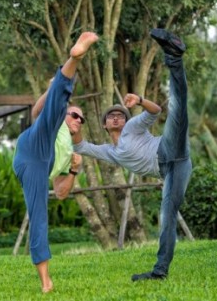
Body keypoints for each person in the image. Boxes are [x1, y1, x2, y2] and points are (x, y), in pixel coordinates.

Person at [71, 28, 191, 281]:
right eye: (111, 116)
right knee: (166, 218)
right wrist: (74, 125)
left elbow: (156, 111)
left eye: (120, 115)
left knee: (178, 107)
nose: (116, 117)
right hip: (171, 170)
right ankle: (160, 272)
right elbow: (81, 147)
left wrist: (139, 100)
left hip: (168, 147)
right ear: (104, 125)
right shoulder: (110, 152)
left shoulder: (132, 127)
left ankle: (174, 56)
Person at [12, 31, 98, 293]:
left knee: (39, 216)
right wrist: (52, 91)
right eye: (75, 114)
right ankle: (74, 58)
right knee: (54, 105)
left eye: (81, 119)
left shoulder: (70, 150)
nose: (77, 119)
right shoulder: (58, 121)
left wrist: (73, 169)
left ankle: (46, 282)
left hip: (40, 166)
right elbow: (39, 111)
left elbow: (60, 193)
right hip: (33, 144)